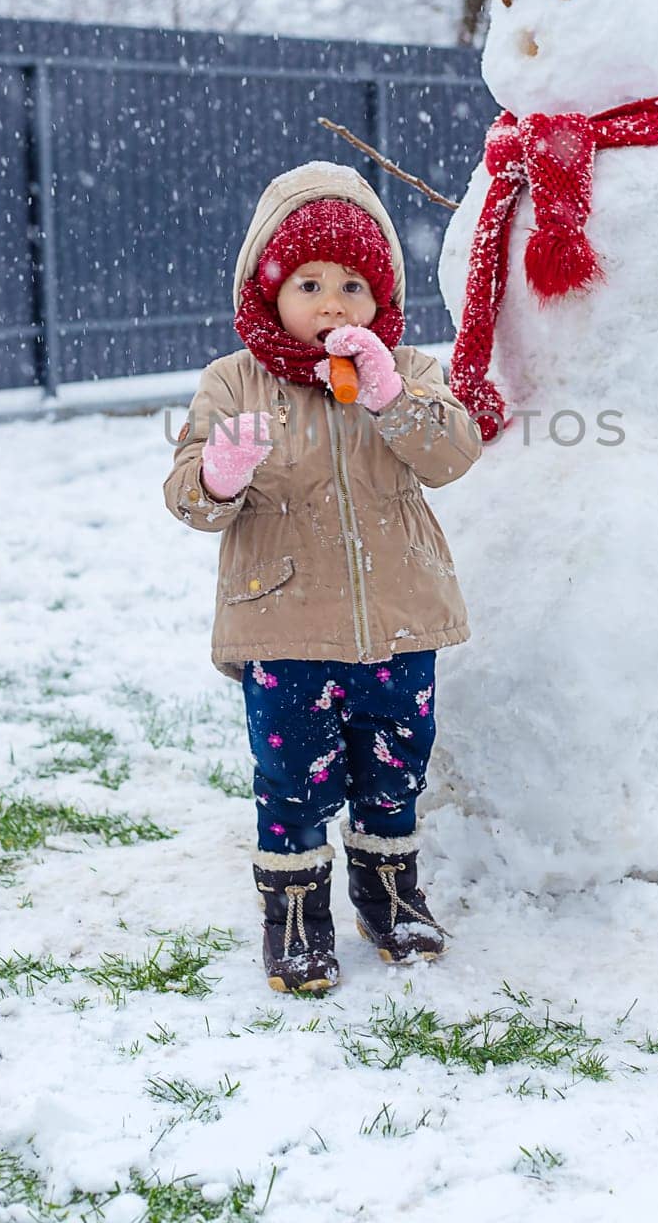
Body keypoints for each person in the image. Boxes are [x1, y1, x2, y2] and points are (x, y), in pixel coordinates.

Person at [163, 161, 482, 992]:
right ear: (267, 293)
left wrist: (389, 398)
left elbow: (451, 456)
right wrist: (219, 474)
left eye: (352, 284)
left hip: (398, 615)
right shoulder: (232, 381)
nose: (332, 303)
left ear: (382, 300)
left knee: (394, 767)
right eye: (308, 283)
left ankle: (389, 895)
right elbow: (189, 500)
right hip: (282, 623)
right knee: (293, 778)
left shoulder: (409, 372)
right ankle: (296, 915)